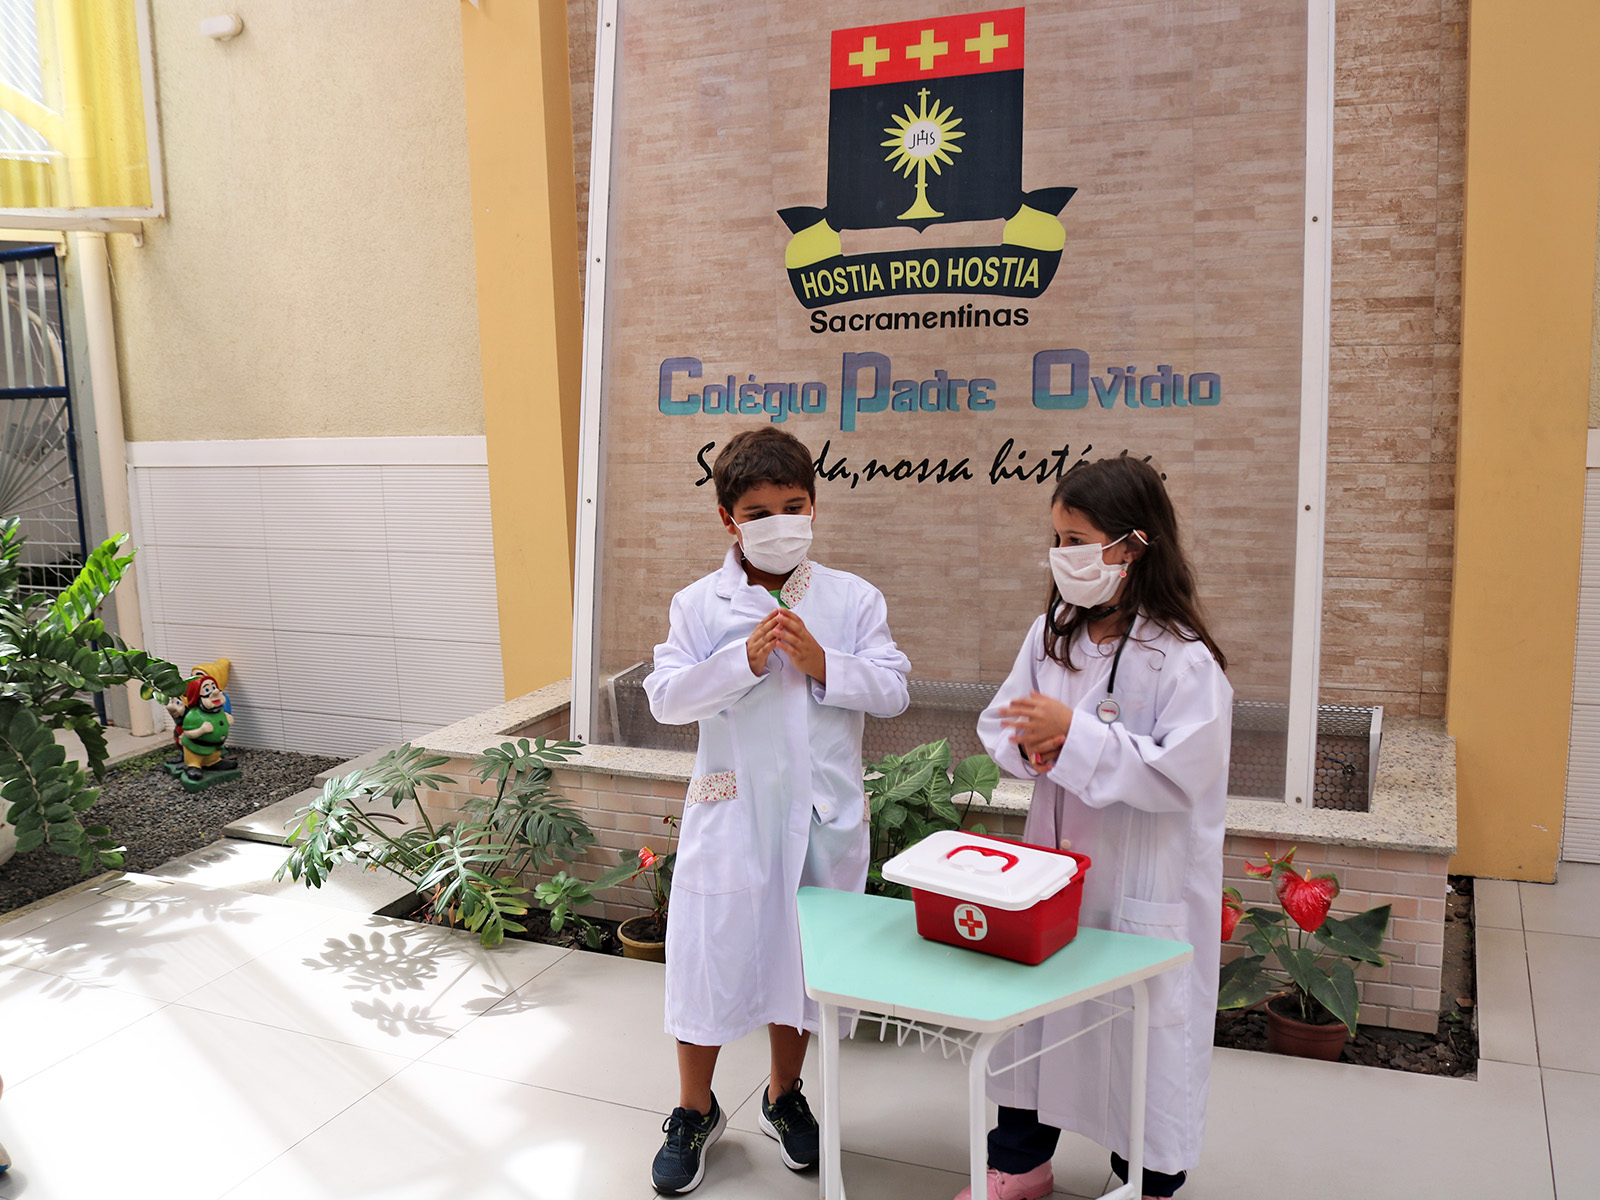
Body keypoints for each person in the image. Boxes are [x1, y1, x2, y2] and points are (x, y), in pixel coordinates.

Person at [643, 427, 911, 1195]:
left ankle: (783, 1095)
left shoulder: (852, 599)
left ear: (814, 505)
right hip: (732, 817)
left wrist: (826, 663)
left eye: (794, 506)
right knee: (710, 957)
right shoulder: (699, 604)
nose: (780, 523)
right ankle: (695, 1108)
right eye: (759, 512)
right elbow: (665, 698)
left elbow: (893, 689)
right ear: (728, 519)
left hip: (822, 819)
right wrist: (743, 660)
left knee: (802, 964)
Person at [965, 455, 1232, 1200]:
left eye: (1078, 541)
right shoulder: (1053, 634)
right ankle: (1020, 1164)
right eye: (1058, 539)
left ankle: (1146, 1182)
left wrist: (1074, 736)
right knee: (1036, 1020)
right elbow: (1002, 721)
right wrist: (1032, 746)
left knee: (1140, 1036)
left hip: (1142, 887)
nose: (1064, 557)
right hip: (1055, 879)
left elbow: (1178, 777)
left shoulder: (1185, 661)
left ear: (1134, 546)